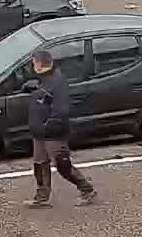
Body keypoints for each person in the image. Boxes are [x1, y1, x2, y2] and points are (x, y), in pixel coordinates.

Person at [25, 49, 96, 208]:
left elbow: (61, 111)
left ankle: (87, 189)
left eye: (33, 62)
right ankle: (42, 197)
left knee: (63, 165)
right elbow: (44, 100)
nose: (32, 65)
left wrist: (47, 126)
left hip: (53, 134)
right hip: (39, 132)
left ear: (39, 64)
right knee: (39, 164)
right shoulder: (42, 79)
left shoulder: (58, 83)